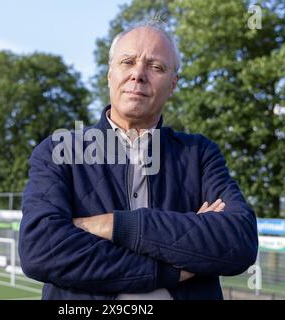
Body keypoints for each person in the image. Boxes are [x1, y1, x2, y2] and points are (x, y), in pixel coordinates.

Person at [19, 21, 259, 300]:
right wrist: (170, 267)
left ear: (173, 84)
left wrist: (115, 226)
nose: (138, 75)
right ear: (110, 74)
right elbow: (40, 249)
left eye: (155, 67)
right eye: (127, 62)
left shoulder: (199, 154)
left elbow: (238, 242)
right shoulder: (58, 151)